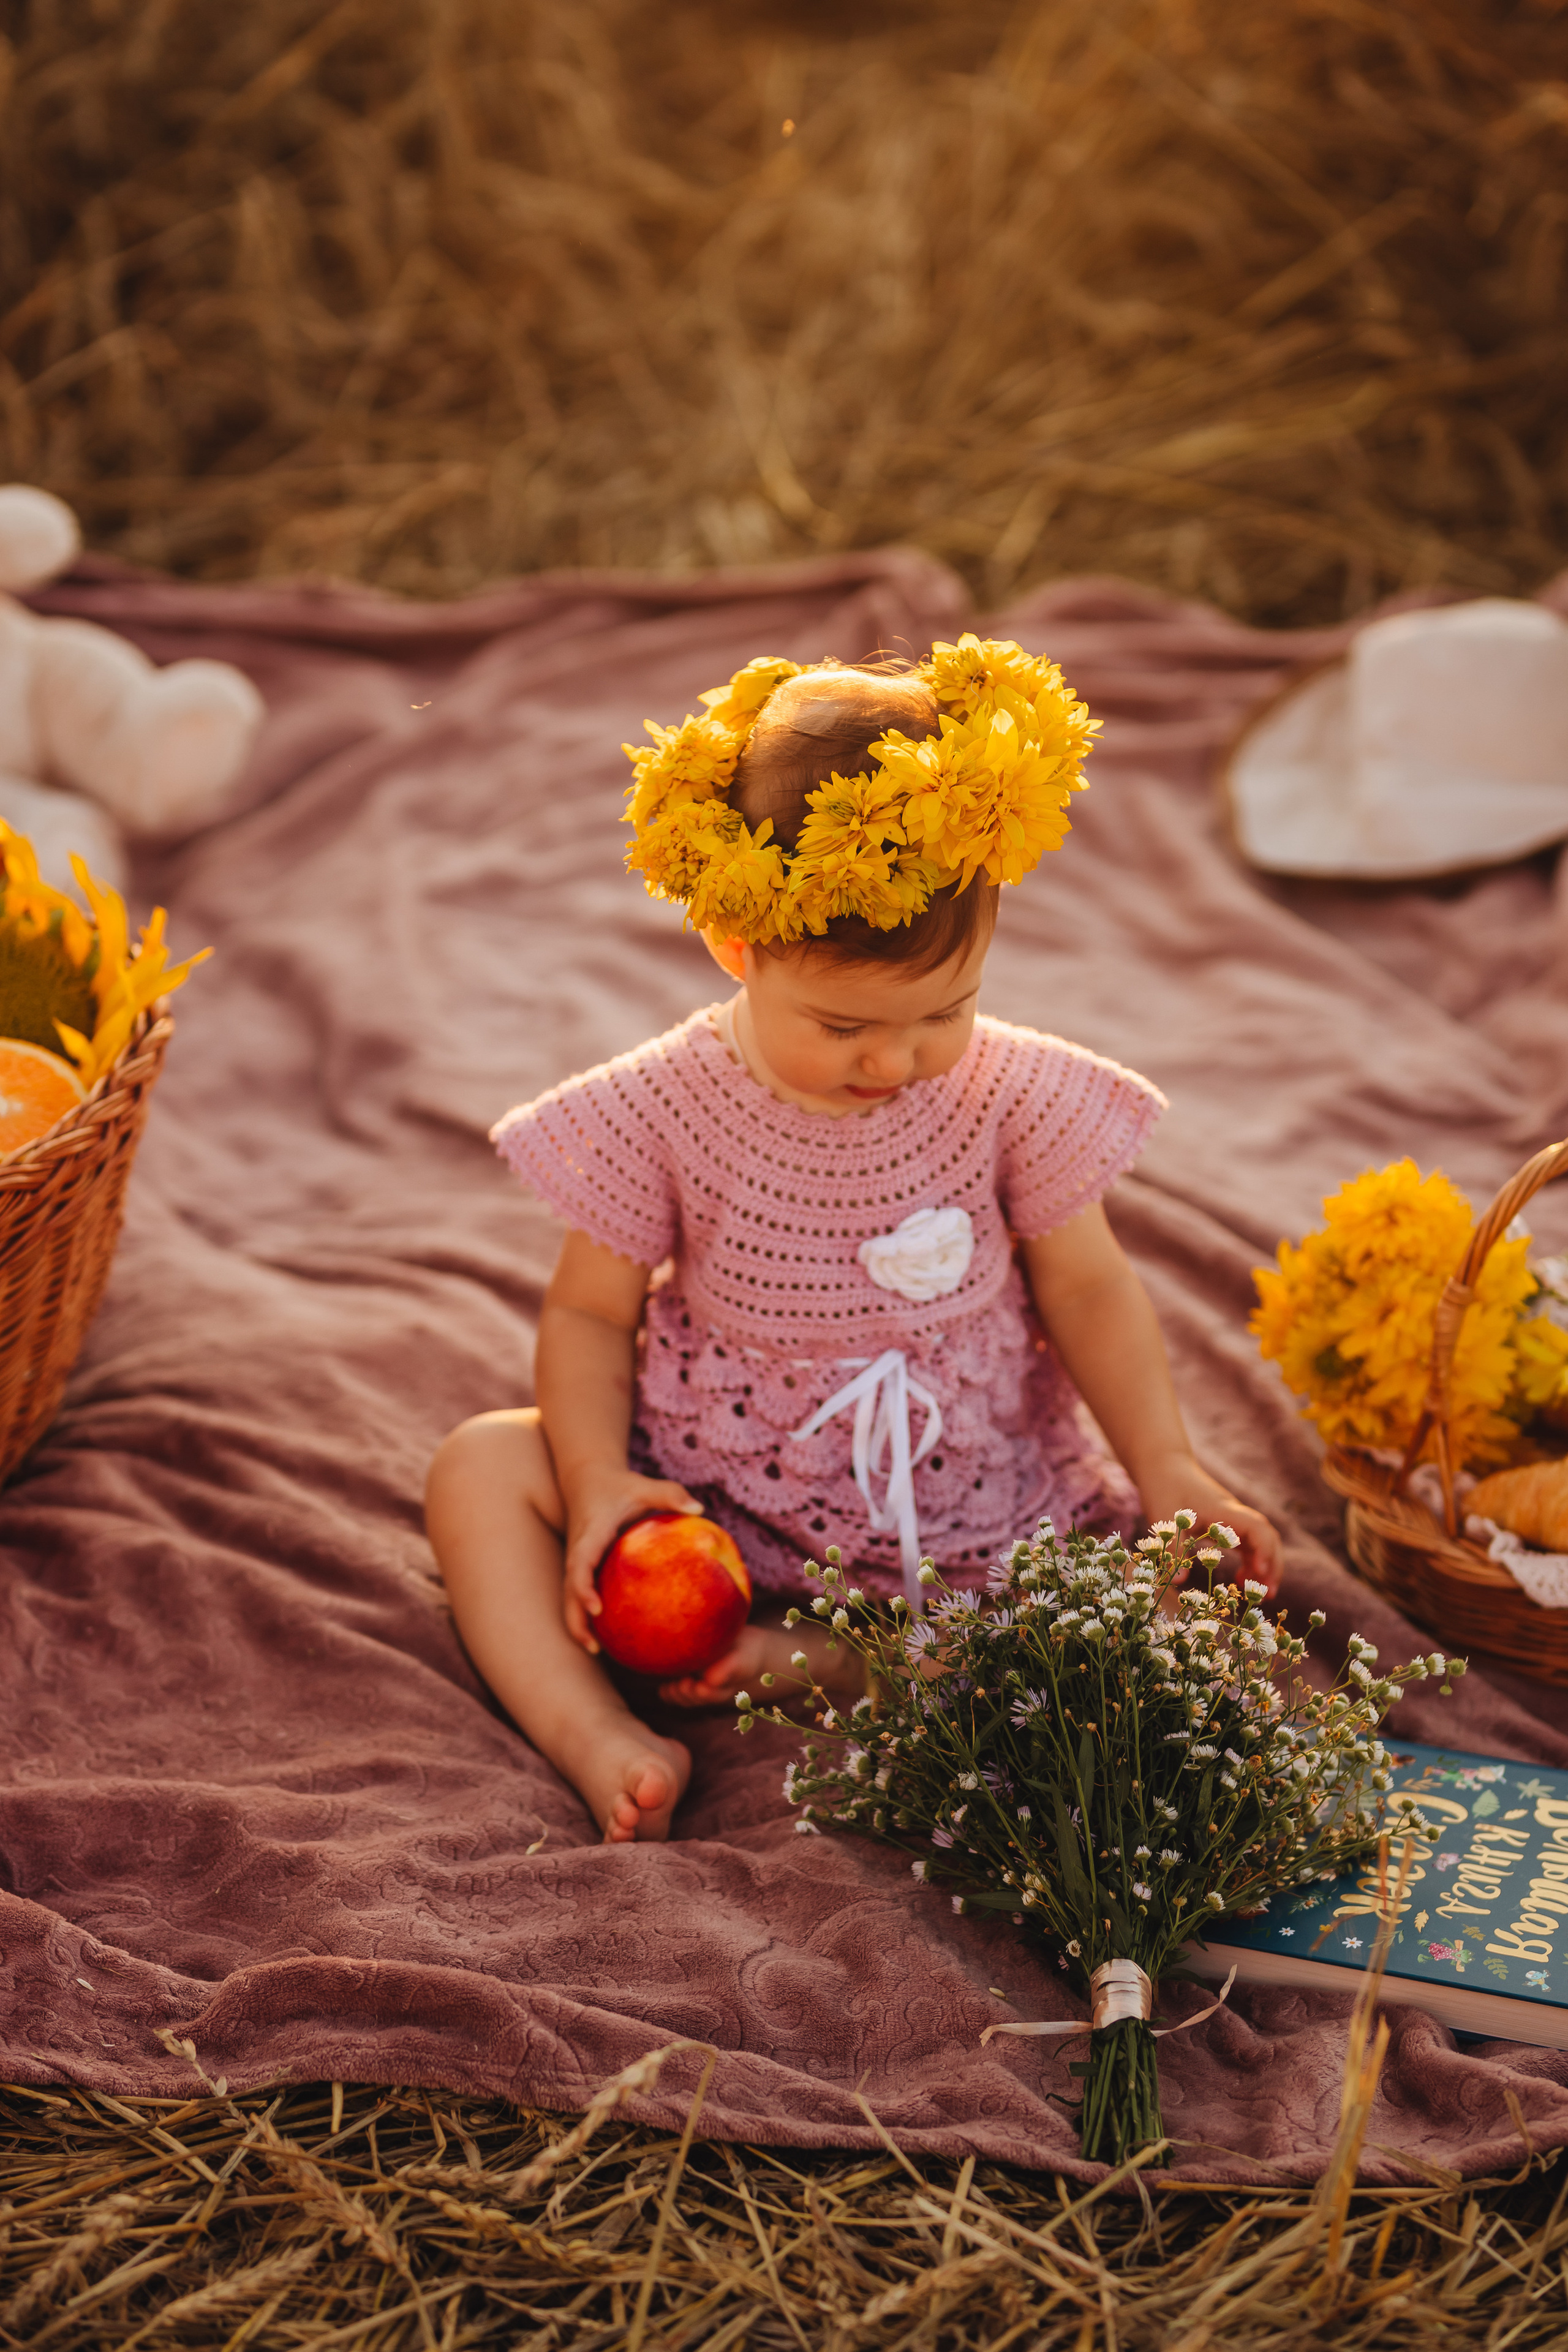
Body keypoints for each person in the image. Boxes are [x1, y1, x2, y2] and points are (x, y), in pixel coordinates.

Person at [426, 638, 1283, 1844]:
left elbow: (1086, 1284)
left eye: (945, 1010)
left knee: (1156, 1633)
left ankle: (841, 1665)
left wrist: (1167, 1470)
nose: (895, 1061)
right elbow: (586, 1315)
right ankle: (597, 1733)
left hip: (974, 1517)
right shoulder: (658, 1108)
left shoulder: (1005, 1094)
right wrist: (597, 1482)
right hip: (724, 1505)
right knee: (478, 1467)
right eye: (841, 1025)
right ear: (737, 948)